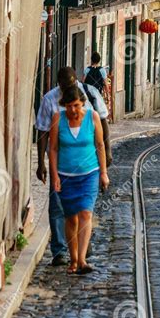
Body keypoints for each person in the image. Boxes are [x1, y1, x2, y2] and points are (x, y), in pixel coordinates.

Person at [35, 66, 110, 266]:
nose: (73, 109)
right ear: (59, 85)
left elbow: (101, 131)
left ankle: (81, 256)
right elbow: (44, 134)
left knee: (85, 212)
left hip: (88, 171)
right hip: (63, 169)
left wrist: (104, 166)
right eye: (65, 85)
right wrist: (42, 163)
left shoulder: (88, 94)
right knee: (62, 211)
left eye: (72, 84)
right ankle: (61, 251)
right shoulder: (50, 101)